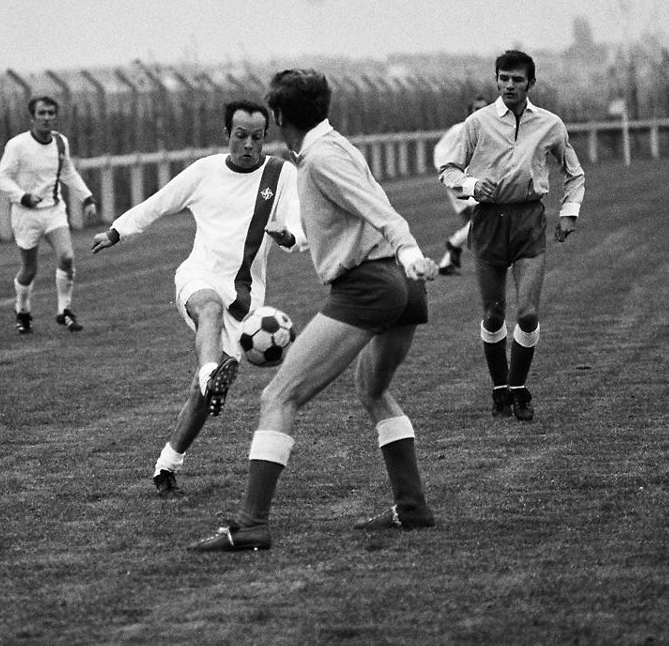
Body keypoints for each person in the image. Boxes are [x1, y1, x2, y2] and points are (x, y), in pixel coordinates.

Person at [191, 68, 440, 553]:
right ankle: (412, 507)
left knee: (278, 397)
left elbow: (380, 211)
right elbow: (355, 206)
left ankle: (251, 524)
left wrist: (409, 250)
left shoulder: (322, 158)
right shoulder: (331, 148)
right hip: (398, 286)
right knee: (373, 390)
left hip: (370, 283)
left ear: (279, 116)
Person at [91, 100, 305, 499]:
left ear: (265, 138)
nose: (248, 145)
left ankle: (167, 464)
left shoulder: (281, 174)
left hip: (245, 300)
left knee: (198, 398)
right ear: (227, 134)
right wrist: (117, 231)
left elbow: (299, 227)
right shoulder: (205, 171)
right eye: (240, 136)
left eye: (257, 137)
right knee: (208, 308)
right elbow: (160, 201)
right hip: (199, 275)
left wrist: (288, 237)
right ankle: (211, 374)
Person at [437, 50, 585, 421]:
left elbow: (574, 171)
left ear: (530, 84)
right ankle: (500, 387)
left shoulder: (550, 124)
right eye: (503, 78)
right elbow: (449, 169)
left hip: (528, 220)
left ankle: (518, 388)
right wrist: (471, 185)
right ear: (496, 80)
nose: (509, 85)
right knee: (493, 313)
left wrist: (568, 213)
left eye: (517, 79)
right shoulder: (478, 123)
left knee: (529, 313)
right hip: (488, 222)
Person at [0, 96, 98, 334]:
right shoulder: (17, 145)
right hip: (25, 214)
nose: (47, 117)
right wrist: (23, 196)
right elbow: (2, 177)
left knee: (67, 257)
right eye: (41, 113)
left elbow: (68, 171)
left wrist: (87, 197)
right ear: (32, 118)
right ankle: (22, 310)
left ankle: (64, 310)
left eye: (51, 113)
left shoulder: (61, 142)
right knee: (29, 269)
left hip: (53, 210)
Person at [433, 96, 491, 275]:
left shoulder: (485, 131)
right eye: (476, 108)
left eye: (483, 109)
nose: (479, 112)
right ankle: (454, 244)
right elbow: (439, 152)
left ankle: (446, 262)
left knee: (478, 222)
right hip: (458, 182)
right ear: (470, 112)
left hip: (471, 181)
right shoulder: (459, 130)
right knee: (485, 217)